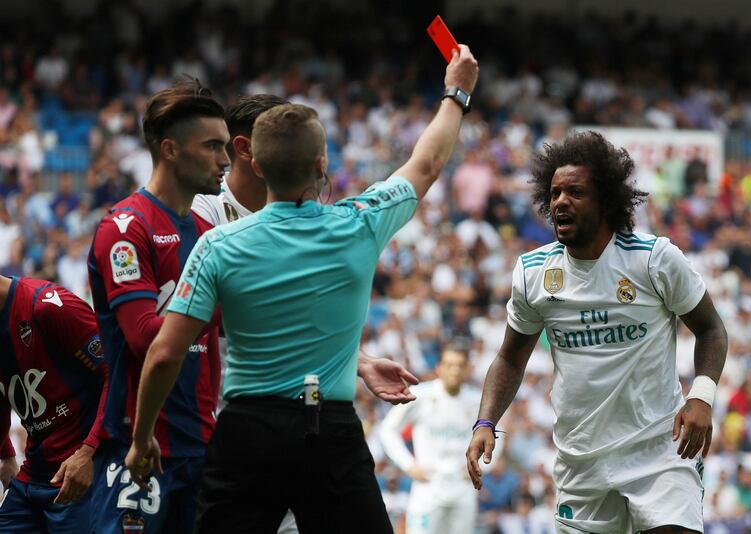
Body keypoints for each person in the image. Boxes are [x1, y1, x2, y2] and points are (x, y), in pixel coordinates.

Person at [125, 45, 479, 533]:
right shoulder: (360, 223)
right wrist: (456, 92)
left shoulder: (217, 245)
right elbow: (426, 163)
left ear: (256, 163)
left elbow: (164, 354)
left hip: (246, 432)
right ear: (320, 165)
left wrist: (141, 438)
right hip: (327, 430)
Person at [466, 131, 728, 533]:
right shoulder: (534, 273)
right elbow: (509, 358)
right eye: (554, 193)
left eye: (575, 192)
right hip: (582, 463)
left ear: (606, 200)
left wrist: (702, 397)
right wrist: (485, 422)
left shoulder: (653, 260)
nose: (560, 202)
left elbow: (711, 329)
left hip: (659, 452)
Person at [192, 93, 421, 534]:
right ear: (250, 152)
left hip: (296, 417)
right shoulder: (205, 216)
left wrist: (360, 361)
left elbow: (291, 314)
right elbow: (211, 322)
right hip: (228, 420)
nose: (217, 159)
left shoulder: (293, 223)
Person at [87, 79, 228, 533]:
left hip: (199, 442)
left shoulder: (207, 227)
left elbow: (232, 323)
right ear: (170, 149)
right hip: (140, 447)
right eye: (212, 146)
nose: (224, 159)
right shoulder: (126, 228)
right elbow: (144, 335)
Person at [0, 275, 108, 533]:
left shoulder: (47, 306)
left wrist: (89, 451)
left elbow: (118, 374)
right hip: (33, 474)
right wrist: (5, 454)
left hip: (78, 476)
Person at [380, 346, 503, 534]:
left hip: (462, 488)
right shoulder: (421, 395)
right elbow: (388, 429)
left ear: (468, 369)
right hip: (428, 487)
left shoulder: (477, 401)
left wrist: (483, 467)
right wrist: (409, 465)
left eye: (460, 365)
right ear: (439, 367)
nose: (454, 370)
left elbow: (496, 434)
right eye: (449, 364)